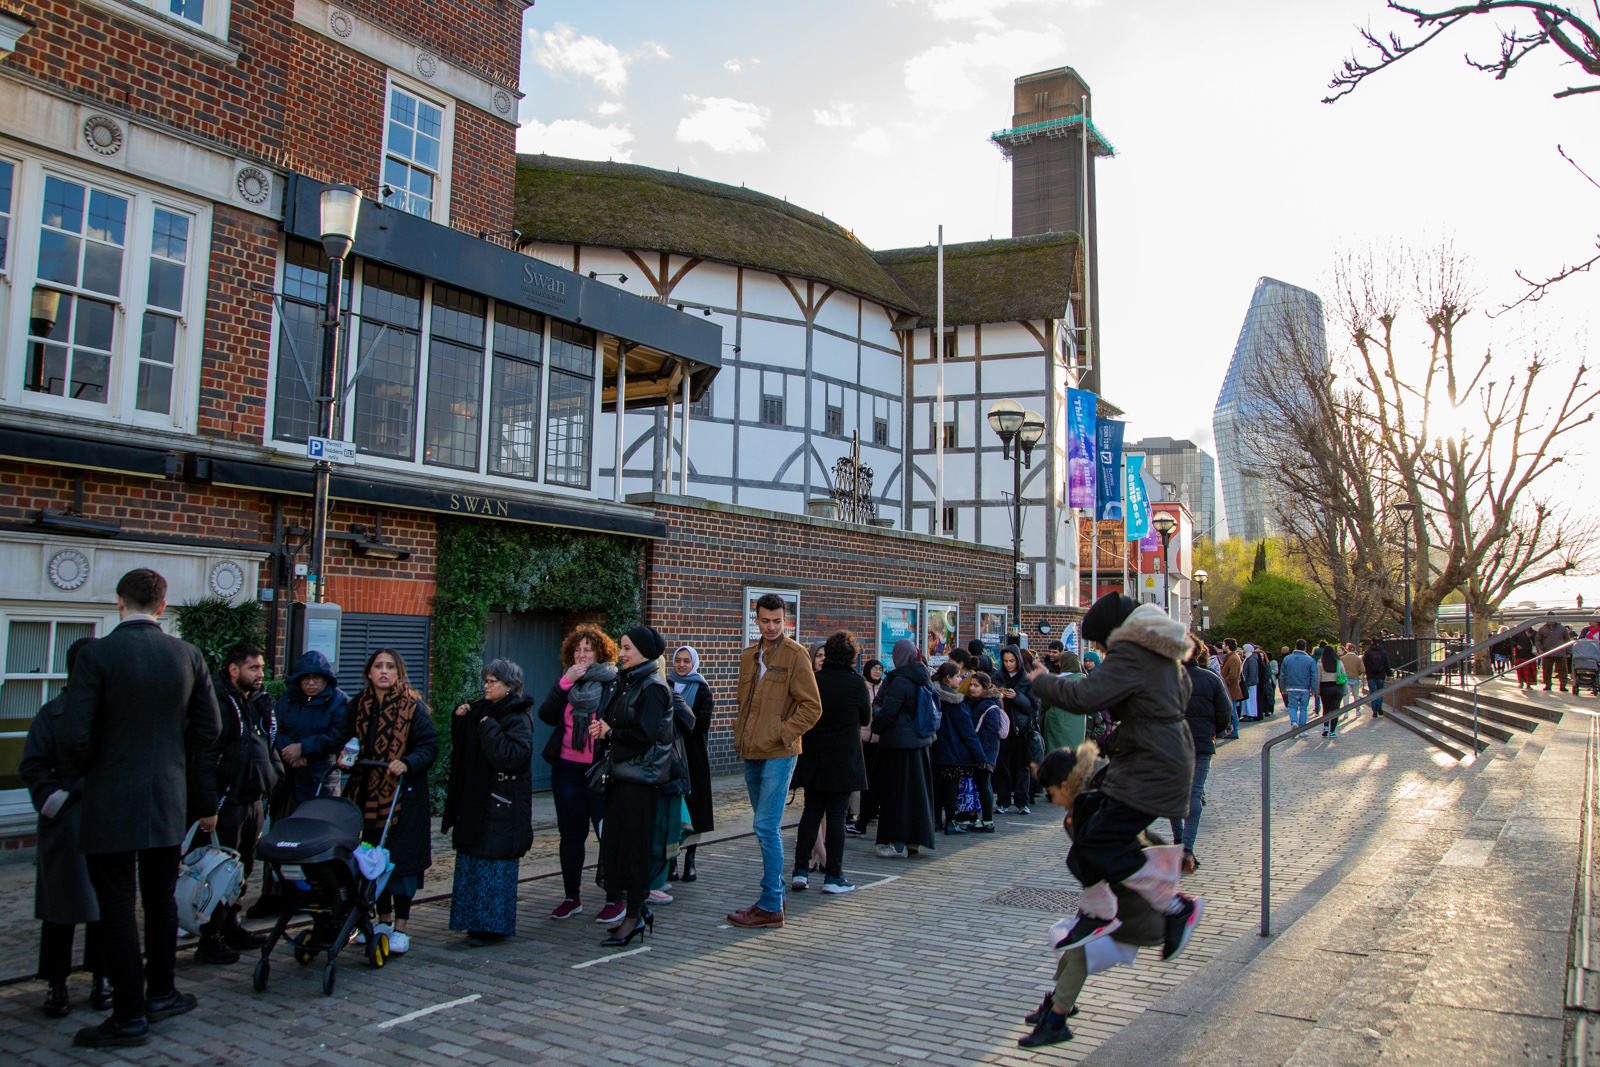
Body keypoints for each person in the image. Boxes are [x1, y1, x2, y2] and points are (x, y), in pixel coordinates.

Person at [58, 568, 220, 1048]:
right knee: (159, 898)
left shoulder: (98, 654)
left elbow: (73, 735)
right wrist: (173, 761)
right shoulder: (187, 655)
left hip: (110, 795)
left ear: (119, 602)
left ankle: (129, 1014)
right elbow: (208, 730)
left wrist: (90, 771)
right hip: (167, 794)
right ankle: (162, 992)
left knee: (115, 906)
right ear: (163, 606)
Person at [1022, 592, 1201, 961]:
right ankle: (1097, 910)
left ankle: (1173, 906)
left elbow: (1087, 695)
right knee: (1085, 814)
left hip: (1153, 767)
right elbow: (1164, 702)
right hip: (1155, 758)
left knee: (1099, 842)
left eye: (1100, 642)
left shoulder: (1132, 653)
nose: (1100, 650)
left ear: (1113, 633)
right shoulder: (1161, 654)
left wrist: (1042, 681)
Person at [1018, 743, 1168, 1050]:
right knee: (1065, 938)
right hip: (1122, 907)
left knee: (1079, 950)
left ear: (1064, 786)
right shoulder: (1095, 803)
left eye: (1051, 793)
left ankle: (1057, 1020)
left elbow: (1135, 840)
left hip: (1132, 913)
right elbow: (1142, 836)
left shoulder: (1090, 812)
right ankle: (1060, 1004)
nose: (1052, 801)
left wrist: (1173, 859)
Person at [19, 636, 107, 1018]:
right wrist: (54, 800)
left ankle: (102, 977)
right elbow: (34, 765)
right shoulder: (52, 713)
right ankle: (57, 983)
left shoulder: (113, 713)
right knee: (61, 908)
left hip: (106, 816)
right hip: (66, 819)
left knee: (107, 905)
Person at [727, 594, 823, 929]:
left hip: (780, 752)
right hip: (750, 751)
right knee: (763, 825)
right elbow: (745, 704)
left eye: (777, 621)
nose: (771, 627)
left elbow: (812, 707)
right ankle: (775, 898)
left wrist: (782, 732)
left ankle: (770, 904)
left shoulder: (796, 655)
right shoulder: (748, 656)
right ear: (756, 619)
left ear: (786, 620)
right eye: (765, 620)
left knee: (765, 826)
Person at [336, 648, 438, 956]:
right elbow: (344, 739)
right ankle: (380, 921)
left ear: (398, 672)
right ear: (369, 672)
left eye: (390, 667)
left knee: (401, 862)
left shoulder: (413, 707)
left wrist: (407, 762)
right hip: (364, 795)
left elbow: (429, 744)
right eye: (378, 666)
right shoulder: (356, 705)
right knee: (369, 861)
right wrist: (344, 757)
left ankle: (401, 927)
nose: (384, 672)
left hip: (401, 799)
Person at [189, 642, 279, 964]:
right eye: (254, 668)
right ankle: (208, 938)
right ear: (234, 669)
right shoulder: (218, 702)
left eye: (261, 668)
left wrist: (274, 774)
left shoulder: (253, 702)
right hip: (225, 804)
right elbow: (203, 758)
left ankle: (230, 926)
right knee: (219, 874)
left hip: (251, 800)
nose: (260, 674)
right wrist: (207, 807)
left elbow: (266, 744)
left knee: (241, 871)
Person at [590, 626, 675, 946]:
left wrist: (610, 733)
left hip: (640, 780)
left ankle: (635, 915)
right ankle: (633, 913)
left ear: (643, 652)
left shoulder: (653, 687)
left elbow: (645, 735)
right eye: (621, 647)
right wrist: (604, 728)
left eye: (627, 648)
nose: (621, 653)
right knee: (620, 848)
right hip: (621, 775)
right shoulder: (626, 683)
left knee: (634, 850)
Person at [443, 659, 534, 946]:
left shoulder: (516, 716)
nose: (486, 685)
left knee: (493, 866)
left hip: (501, 805)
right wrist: (460, 720)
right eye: (486, 680)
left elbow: (512, 756)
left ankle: (491, 926)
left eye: (493, 681)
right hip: (476, 801)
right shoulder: (482, 710)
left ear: (509, 686)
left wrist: (489, 728)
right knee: (473, 862)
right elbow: (465, 750)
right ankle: (472, 921)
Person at [537, 626, 622, 924]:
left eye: (588, 649)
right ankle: (571, 897)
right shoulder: (568, 683)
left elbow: (623, 722)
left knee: (606, 835)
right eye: (577, 650)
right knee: (570, 836)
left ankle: (615, 898)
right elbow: (546, 715)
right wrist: (564, 682)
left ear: (600, 653)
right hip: (565, 770)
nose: (582, 655)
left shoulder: (614, 682)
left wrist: (608, 731)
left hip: (598, 771)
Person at [791, 631, 870, 894]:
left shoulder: (814, 681)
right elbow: (866, 718)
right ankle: (833, 876)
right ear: (851, 656)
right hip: (844, 757)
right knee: (837, 816)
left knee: (810, 813)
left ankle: (800, 871)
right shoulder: (856, 683)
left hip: (813, 756)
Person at [869, 638, 938, 858]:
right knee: (918, 795)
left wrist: (877, 719)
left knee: (896, 795)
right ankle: (915, 841)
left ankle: (895, 842)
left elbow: (887, 712)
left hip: (898, 745)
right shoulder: (924, 677)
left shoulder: (899, 680)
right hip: (921, 744)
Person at [1171, 640, 1233, 872]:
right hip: (1201, 743)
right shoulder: (1211, 678)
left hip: (1173, 745)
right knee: (1194, 793)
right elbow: (1225, 713)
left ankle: (1179, 843)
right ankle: (1187, 849)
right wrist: (1213, 732)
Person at [272, 651, 348, 807]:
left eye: (316, 678)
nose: (311, 683)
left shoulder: (339, 701)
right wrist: (290, 752)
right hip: (288, 778)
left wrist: (303, 748)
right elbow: (274, 729)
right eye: (305, 678)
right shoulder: (288, 698)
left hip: (321, 779)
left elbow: (337, 737)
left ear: (326, 679)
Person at [668, 646, 714, 885]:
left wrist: (679, 724)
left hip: (694, 757)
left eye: (687, 661)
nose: (682, 665)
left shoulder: (702, 689)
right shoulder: (665, 685)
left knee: (695, 809)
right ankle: (671, 860)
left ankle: (691, 860)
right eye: (678, 660)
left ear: (694, 663)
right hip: (670, 756)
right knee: (673, 809)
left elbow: (701, 723)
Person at [930, 661, 985, 834]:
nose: (961, 679)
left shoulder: (932, 694)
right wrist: (980, 756)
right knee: (950, 787)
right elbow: (967, 731)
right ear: (948, 678)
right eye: (957, 676)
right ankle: (951, 822)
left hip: (934, 747)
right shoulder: (956, 701)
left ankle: (936, 820)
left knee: (937, 786)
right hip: (952, 750)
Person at [993, 645, 1037, 815]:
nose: (1009, 664)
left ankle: (1022, 801)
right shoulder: (997, 677)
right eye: (1005, 661)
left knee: (1022, 767)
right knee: (1002, 766)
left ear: (1018, 661)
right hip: (1003, 728)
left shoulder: (1027, 680)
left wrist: (1017, 697)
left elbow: (1033, 706)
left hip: (1022, 729)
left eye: (1012, 661)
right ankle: (1003, 802)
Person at [850, 658, 885, 837]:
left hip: (878, 740)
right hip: (862, 738)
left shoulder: (884, 688)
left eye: (880, 669)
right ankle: (857, 813)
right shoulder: (861, 686)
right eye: (875, 669)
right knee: (861, 780)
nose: (878, 672)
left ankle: (868, 813)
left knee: (873, 781)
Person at [966, 672, 1004, 833]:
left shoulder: (989, 706)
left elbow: (990, 732)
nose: (972, 688)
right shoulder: (978, 703)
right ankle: (984, 819)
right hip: (982, 751)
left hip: (985, 752)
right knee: (982, 784)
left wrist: (981, 753)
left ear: (985, 687)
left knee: (983, 783)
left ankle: (988, 820)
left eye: (976, 685)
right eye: (971, 685)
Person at [1039, 650, 1086, 753]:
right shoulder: (1084, 682)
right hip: (1078, 726)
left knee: (1057, 753)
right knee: (1074, 751)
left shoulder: (1057, 682)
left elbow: (1045, 703)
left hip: (1056, 723)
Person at [1280, 640, 1317, 731]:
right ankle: (1302, 729)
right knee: (1304, 709)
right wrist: (1313, 689)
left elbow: (1282, 675)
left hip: (1291, 686)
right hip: (1305, 687)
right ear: (1305, 648)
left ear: (1295, 647)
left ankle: (1294, 722)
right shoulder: (1310, 660)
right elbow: (1314, 675)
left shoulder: (1287, 659)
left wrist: (1282, 688)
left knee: (1292, 707)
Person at [1538, 617, 1571, 692]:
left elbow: (1567, 640)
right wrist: (1539, 649)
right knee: (1547, 670)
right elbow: (1538, 640)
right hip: (1547, 653)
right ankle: (1548, 684)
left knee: (1563, 670)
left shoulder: (1562, 629)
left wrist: (1569, 651)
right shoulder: (1542, 629)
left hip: (1560, 653)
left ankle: (1563, 685)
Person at [1319, 645, 1345, 737]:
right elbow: (1343, 675)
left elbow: (1318, 677)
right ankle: (1332, 731)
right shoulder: (1339, 662)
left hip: (1325, 687)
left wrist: (1317, 690)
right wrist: (1344, 689)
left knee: (1326, 708)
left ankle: (1326, 727)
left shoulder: (1320, 663)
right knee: (1335, 710)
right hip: (1337, 687)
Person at [1219, 639, 1243, 737]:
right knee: (1231, 711)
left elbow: (1232, 675)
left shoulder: (1233, 658)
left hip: (1231, 689)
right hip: (1230, 689)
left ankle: (1234, 731)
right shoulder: (1230, 657)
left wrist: (1223, 683)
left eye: (1224, 645)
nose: (1223, 647)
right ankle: (1231, 730)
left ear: (1228, 646)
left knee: (1232, 711)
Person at [1363, 638, 1391, 716]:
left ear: (1372, 642)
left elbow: (1364, 663)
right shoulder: (1383, 652)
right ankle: (1379, 704)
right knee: (1380, 691)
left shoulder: (1368, 652)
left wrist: (1366, 671)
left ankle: (1374, 711)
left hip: (1371, 675)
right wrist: (1389, 674)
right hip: (1381, 674)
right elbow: (1386, 664)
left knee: (1372, 692)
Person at [1239, 643, 1260, 722]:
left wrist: (1249, 683)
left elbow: (1252, 672)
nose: (1242, 650)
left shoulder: (1251, 659)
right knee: (1247, 700)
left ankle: (1250, 714)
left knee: (1250, 700)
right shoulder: (1248, 658)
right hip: (1248, 683)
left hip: (1250, 684)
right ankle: (1246, 714)